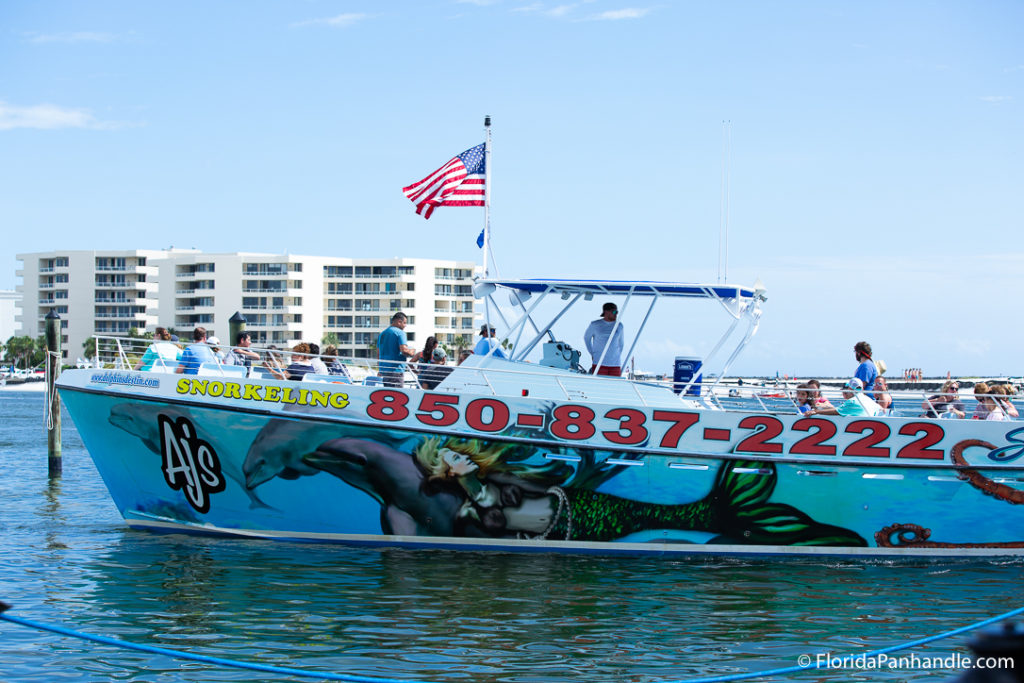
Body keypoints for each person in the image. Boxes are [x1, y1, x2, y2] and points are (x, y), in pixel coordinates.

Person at [584, 302, 624, 376]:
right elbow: (587, 339)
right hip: (599, 363)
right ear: (606, 312)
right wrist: (592, 353)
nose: (616, 314)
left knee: (615, 386)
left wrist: (615, 355)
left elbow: (621, 344)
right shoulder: (595, 324)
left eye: (617, 312)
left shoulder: (619, 326)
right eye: (614, 312)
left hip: (615, 364)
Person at [807, 378, 882, 417]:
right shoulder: (868, 400)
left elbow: (837, 411)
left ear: (850, 389)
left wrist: (816, 412)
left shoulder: (852, 401)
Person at [378, 312, 415, 387]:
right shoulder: (400, 333)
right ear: (399, 322)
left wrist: (380, 369)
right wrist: (412, 352)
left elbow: (378, 353)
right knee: (397, 396)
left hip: (384, 370)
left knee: (388, 395)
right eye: (404, 323)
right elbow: (404, 350)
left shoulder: (382, 334)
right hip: (396, 371)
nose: (405, 325)